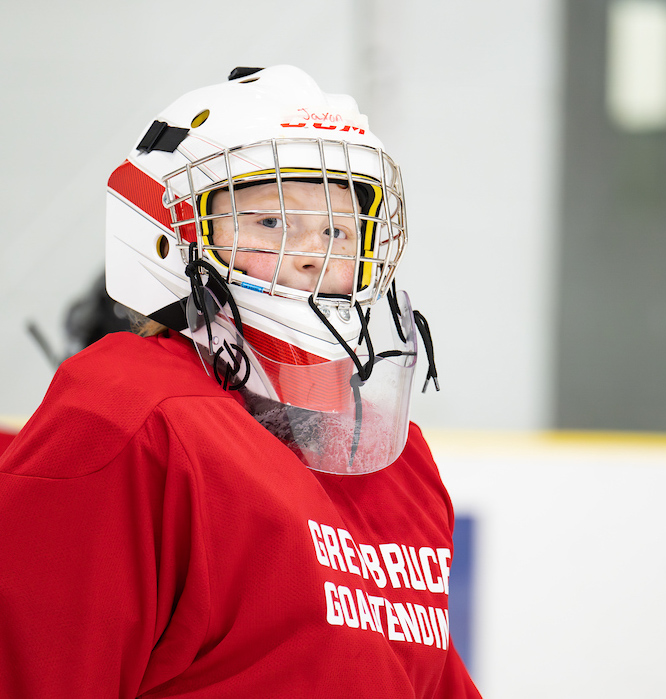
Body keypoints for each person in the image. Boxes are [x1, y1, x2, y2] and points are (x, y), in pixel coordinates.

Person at [0, 65, 481, 698]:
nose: (314, 255)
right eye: (271, 223)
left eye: (338, 231)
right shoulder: (129, 416)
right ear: (170, 235)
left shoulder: (398, 461)